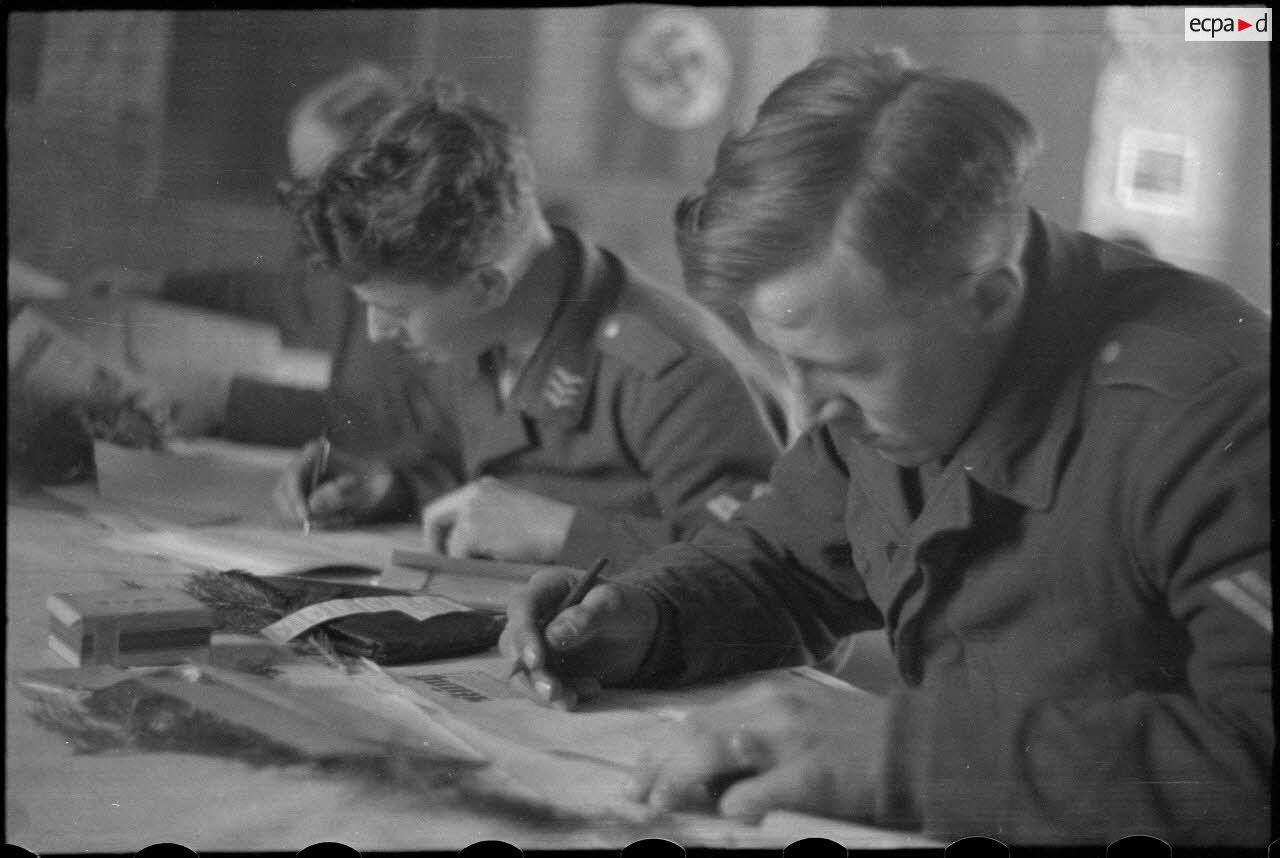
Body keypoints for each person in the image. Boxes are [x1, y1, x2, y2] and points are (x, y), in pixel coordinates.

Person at [498, 50, 1271, 845]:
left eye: (844, 368)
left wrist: (902, 759)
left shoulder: (1218, 418)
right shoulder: (887, 381)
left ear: (988, 301)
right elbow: (779, 565)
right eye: (788, 364)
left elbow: (1259, 758)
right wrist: (650, 614)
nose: (807, 410)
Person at [271, 77, 778, 568]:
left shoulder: (675, 374)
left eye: (397, 311)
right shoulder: (480, 330)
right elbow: (481, 472)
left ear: (487, 287)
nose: (377, 330)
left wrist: (564, 533)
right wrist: (389, 489)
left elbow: (764, 566)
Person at [79, 64, 421, 452]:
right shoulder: (342, 256)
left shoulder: (419, 282)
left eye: (325, 186)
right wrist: (159, 285)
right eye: (302, 186)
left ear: (384, 179)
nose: (306, 210)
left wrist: (225, 401)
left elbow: (391, 424)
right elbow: (279, 293)